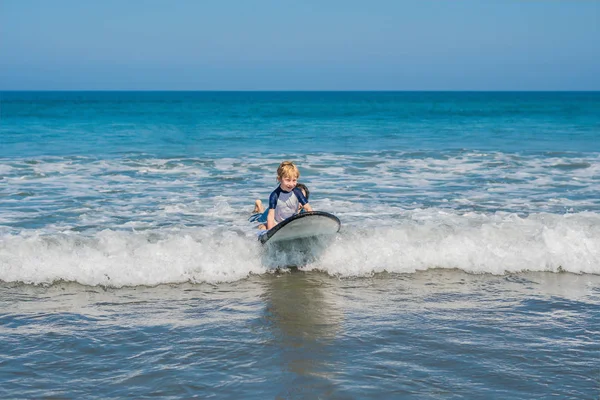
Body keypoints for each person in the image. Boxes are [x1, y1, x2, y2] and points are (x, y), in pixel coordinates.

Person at [250, 162, 312, 230]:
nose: (291, 184)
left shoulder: (297, 192)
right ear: (279, 179)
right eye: (288, 180)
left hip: (290, 223)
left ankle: (260, 208)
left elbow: (308, 209)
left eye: (294, 180)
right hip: (276, 223)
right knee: (263, 226)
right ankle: (259, 207)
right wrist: (270, 232)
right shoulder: (275, 195)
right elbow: (270, 216)